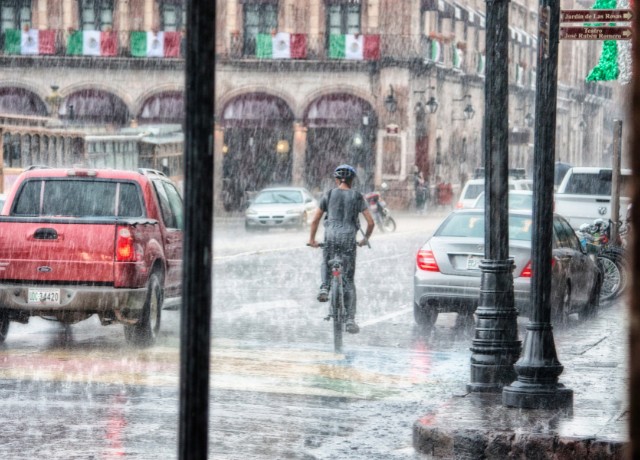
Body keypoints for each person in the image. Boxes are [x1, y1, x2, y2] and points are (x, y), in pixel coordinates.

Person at [308, 164, 375, 334]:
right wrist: (364, 239)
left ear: (337, 180)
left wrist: (312, 239)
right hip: (348, 240)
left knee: (326, 260)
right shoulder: (357, 196)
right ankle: (350, 319)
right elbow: (371, 222)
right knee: (349, 281)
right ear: (352, 180)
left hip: (331, 237)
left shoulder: (329, 194)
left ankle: (324, 286)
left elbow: (315, 220)